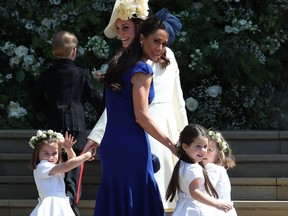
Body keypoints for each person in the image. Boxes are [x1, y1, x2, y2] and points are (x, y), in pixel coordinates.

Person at [86, 0, 188, 210]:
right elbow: (135, 111)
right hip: (140, 136)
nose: (159, 48)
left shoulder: (124, 61)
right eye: (119, 28)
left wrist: (184, 136)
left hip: (140, 135)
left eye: (126, 27)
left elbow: (177, 100)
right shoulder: (134, 64)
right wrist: (174, 144)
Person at [28, 31, 104, 216]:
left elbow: (33, 97)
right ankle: (71, 206)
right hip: (76, 128)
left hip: (54, 129)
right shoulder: (81, 72)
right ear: (74, 51)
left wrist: (49, 109)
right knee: (73, 172)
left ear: (54, 52)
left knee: (57, 167)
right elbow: (94, 98)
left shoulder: (48, 74)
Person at [166, 124, 234, 216]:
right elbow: (194, 192)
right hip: (194, 208)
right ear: (185, 147)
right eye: (198, 146)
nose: (203, 150)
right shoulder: (193, 168)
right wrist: (216, 203)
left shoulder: (182, 164)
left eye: (205, 147)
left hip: (183, 207)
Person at [28, 130, 93, 216]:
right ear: (38, 154)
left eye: (54, 153)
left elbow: (71, 161)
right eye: (46, 153)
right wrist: (87, 155)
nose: (51, 157)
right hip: (51, 205)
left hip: (61, 203)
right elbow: (68, 165)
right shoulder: (42, 166)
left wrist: (68, 149)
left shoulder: (54, 167)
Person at [202, 130, 238, 216]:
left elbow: (205, 190)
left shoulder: (212, 168)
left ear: (218, 154)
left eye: (210, 150)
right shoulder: (218, 168)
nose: (205, 152)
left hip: (216, 210)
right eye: (203, 147)